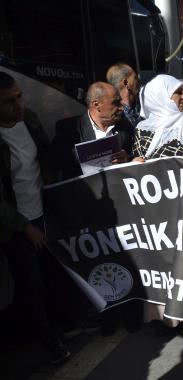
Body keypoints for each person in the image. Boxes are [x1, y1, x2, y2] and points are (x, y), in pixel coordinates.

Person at [0, 72, 70, 364]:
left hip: (42, 211)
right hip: (15, 225)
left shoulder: (28, 119)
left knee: (53, 273)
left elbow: (45, 154)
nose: (18, 104)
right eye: (8, 101)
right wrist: (24, 226)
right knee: (31, 283)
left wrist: (50, 177)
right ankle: (49, 341)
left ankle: (59, 324)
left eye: (19, 96)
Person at [53, 82, 133, 180]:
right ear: (96, 104)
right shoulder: (69, 129)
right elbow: (59, 163)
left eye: (120, 102)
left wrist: (127, 159)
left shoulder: (125, 128)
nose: (121, 107)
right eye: (116, 102)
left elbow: (132, 156)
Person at [106, 63, 142, 128]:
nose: (139, 80)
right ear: (126, 83)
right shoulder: (114, 114)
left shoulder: (142, 102)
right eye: (135, 77)